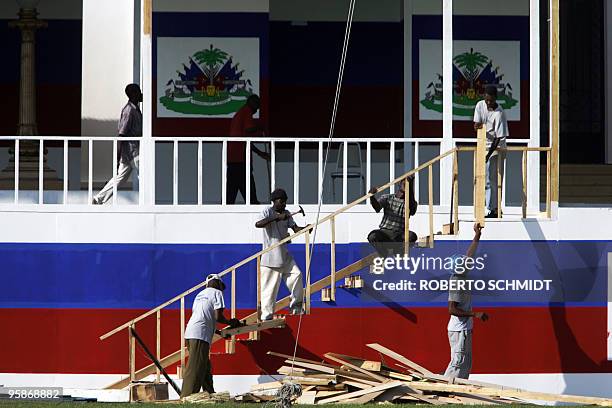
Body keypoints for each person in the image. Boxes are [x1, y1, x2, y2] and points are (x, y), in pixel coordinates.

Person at [181, 274, 242, 398]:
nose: (221, 288)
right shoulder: (217, 293)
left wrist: (219, 332)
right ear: (218, 283)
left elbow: (203, 317)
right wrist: (232, 322)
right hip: (200, 335)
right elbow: (217, 317)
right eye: (221, 286)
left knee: (204, 366)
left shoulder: (200, 295)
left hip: (191, 332)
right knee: (195, 368)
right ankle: (187, 397)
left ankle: (210, 393)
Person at [444, 223, 489, 379]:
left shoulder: (462, 272)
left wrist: (477, 235)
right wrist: (474, 314)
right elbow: (452, 309)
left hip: (464, 328)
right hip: (458, 329)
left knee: (466, 362)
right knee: (458, 361)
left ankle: (460, 391)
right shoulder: (457, 281)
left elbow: (470, 254)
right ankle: (446, 390)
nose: (467, 263)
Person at [255, 188, 306, 320]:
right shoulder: (267, 211)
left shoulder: (287, 213)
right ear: (274, 201)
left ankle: (296, 307)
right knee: (269, 291)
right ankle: (266, 317)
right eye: (281, 201)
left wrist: (305, 229)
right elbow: (258, 224)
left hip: (284, 256)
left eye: (285, 202)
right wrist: (277, 218)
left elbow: (295, 229)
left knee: (297, 276)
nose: (284, 204)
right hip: (270, 259)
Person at [92, 83, 142, 205]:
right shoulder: (128, 111)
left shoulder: (136, 108)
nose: (142, 94)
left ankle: (98, 199)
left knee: (119, 178)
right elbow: (121, 135)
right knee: (145, 175)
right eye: (139, 91)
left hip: (131, 152)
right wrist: (117, 157)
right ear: (134, 94)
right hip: (132, 151)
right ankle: (148, 202)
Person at [473, 85, 509, 218]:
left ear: (495, 99)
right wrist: (476, 125)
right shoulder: (479, 106)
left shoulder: (499, 113)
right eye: (487, 100)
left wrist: (488, 155)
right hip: (484, 145)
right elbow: (477, 124)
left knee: (494, 179)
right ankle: (489, 207)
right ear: (484, 97)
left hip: (497, 147)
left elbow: (498, 137)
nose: (489, 103)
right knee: (484, 179)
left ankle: (495, 209)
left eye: (491, 101)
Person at [227, 94, 270, 204]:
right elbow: (249, 129)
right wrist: (260, 126)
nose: (257, 110)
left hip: (235, 158)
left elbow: (246, 141)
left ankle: (251, 202)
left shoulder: (241, 113)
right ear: (253, 104)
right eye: (257, 106)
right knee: (246, 186)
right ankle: (253, 203)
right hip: (240, 158)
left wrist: (260, 153)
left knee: (233, 189)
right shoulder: (246, 111)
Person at [367, 175, 418, 257]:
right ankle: (383, 253)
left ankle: (397, 251)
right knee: (373, 236)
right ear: (399, 184)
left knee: (411, 236)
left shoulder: (410, 202)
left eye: (408, 184)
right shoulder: (387, 198)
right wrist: (372, 196)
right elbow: (377, 208)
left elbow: (411, 207)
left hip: (399, 235)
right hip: (384, 233)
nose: (406, 185)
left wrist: (410, 184)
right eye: (404, 183)